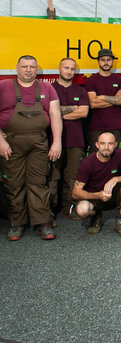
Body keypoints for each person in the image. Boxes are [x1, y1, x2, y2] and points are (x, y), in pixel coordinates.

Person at [0, 55, 62, 241]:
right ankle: (17, 224)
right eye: (24, 66)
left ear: (37, 69)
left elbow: (55, 114)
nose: (28, 70)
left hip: (39, 143)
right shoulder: (3, 87)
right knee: (14, 184)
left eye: (32, 67)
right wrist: (0, 141)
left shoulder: (47, 88)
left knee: (39, 183)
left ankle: (42, 223)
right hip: (10, 143)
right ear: (17, 68)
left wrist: (57, 141)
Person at [73, 131, 121, 238]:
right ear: (97, 145)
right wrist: (98, 195)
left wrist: (116, 179)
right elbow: (75, 193)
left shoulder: (120, 155)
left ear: (115, 145)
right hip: (94, 198)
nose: (106, 147)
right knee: (82, 210)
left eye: (110, 144)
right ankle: (95, 215)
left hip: (113, 195)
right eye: (103, 143)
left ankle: (120, 220)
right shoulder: (88, 162)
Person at [49, 57, 89, 220]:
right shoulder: (49, 89)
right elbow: (47, 113)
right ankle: (49, 210)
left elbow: (84, 112)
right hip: (53, 141)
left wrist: (57, 114)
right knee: (53, 176)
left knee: (72, 177)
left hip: (75, 140)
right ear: (59, 69)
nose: (69, 71)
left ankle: (69, 208)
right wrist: (73, 108)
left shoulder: (80, 90)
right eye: (66, 68)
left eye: (72, 69)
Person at [84, 47, 121, 150]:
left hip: (115, 126)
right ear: (98, 61)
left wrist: (102, 97)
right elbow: (93, 103)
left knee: (114, 156)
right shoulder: (91, 80)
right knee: (96, 157)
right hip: (96, 127)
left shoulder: (120, 80)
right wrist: (115, 100)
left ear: (112, 61)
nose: (106, 62)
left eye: (108, 60)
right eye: (103, 60)